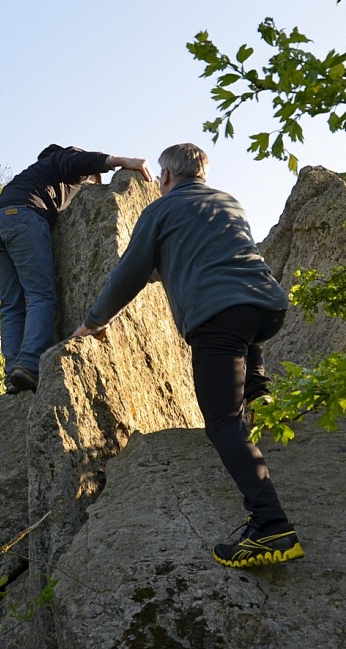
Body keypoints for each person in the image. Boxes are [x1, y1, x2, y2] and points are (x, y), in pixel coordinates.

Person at [71, 142, 304, 568]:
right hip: (269, 307)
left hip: (219, 317)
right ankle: (259, 388)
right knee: (244, 328)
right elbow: (204, 259)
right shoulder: (227, 202)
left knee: (221, 422)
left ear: (165, 177)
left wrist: (95, 319)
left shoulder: (160, 211)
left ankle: (271, 526)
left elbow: (130, 273)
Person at [0, 144, 152, 395]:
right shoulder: (62, 161)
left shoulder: (36, 175)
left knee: (11, 303)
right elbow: (77, 161)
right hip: (24, 216)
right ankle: (29, 365)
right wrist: (122, 161)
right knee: (41, 295)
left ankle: (13, 373)